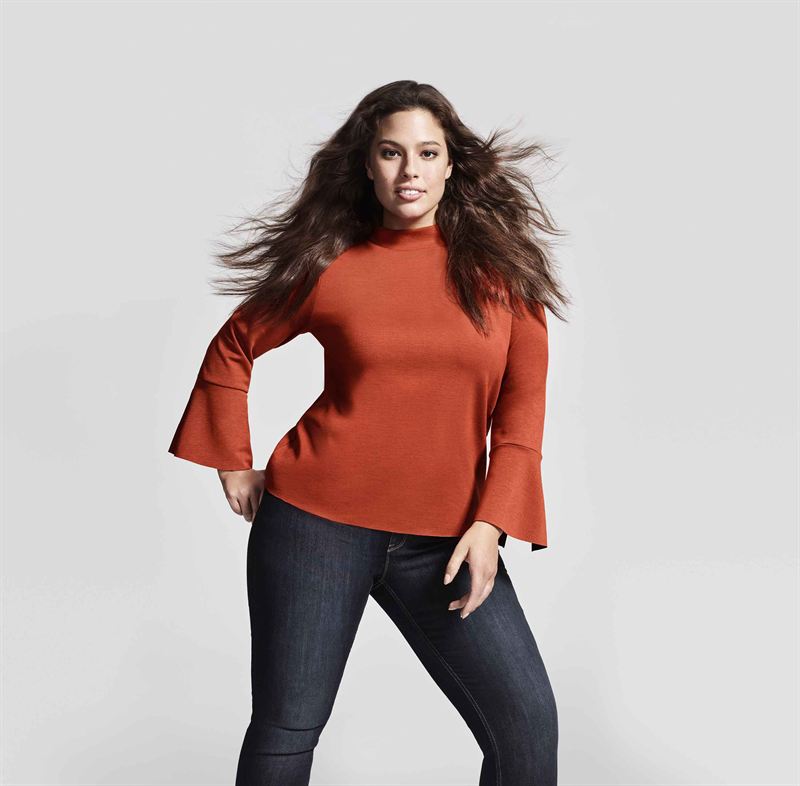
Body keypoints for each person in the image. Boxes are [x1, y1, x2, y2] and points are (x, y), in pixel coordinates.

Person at [168, 79, 571, 786]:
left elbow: (519, 418)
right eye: (391, 152)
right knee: (287, 731)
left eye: (427, 153)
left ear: (452, 164)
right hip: (313, 527)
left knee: (527, 725)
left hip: (447, 539)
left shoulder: (506, 276)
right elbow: (234, 346)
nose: (409, 170)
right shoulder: (331, 264)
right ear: (367, 164)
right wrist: (231, 459)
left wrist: (491, 524)